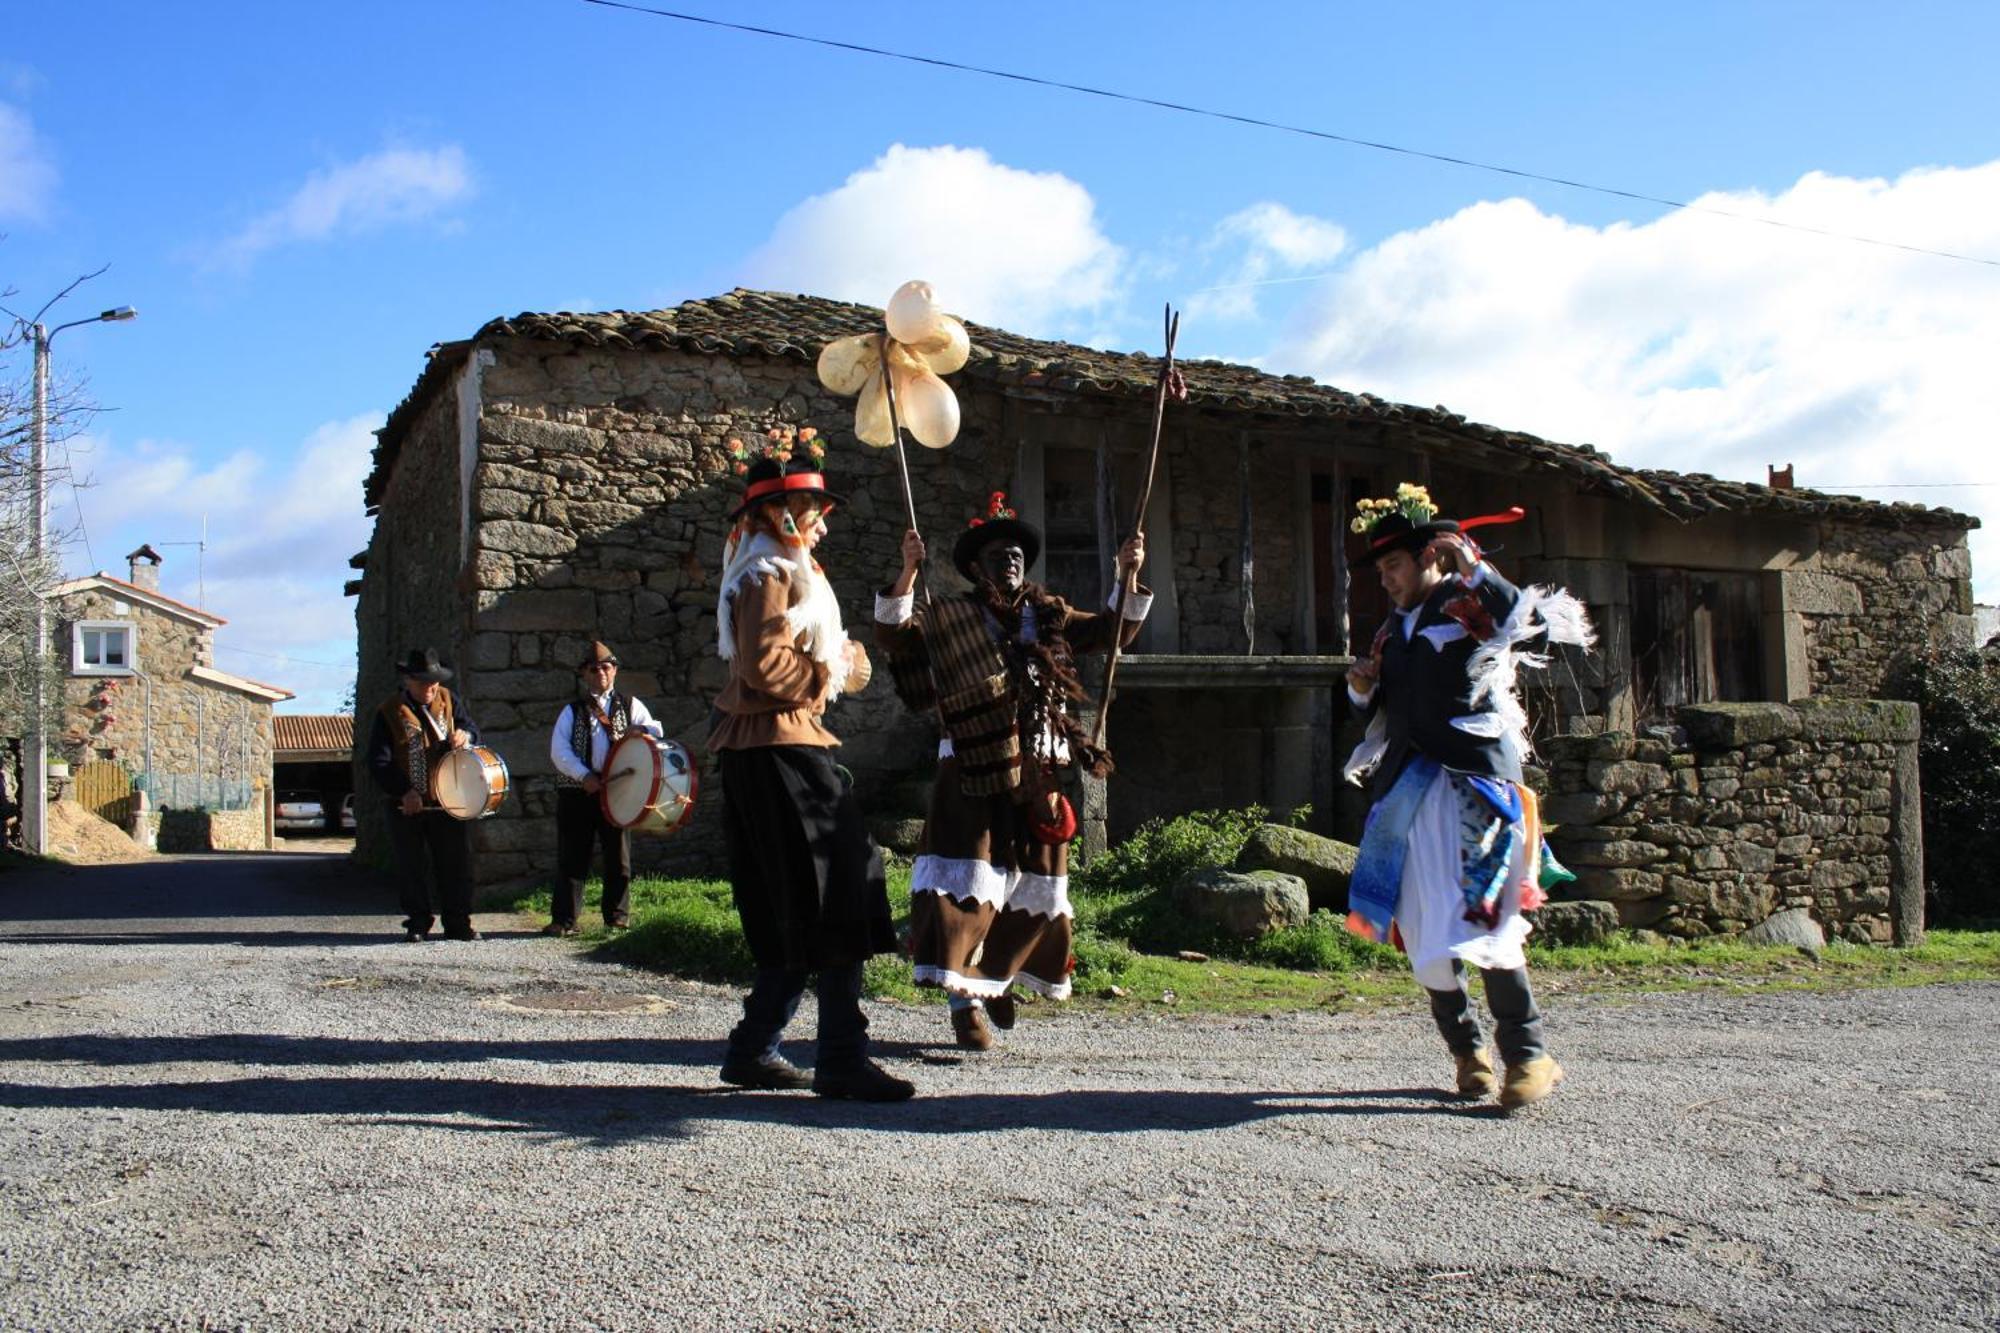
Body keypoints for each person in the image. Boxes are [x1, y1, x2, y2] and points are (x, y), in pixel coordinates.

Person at [1341, 485, 1593, 1110]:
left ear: (1431, 557)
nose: (1387, 580)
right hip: (1409, 795)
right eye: (1381, 571)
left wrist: (1477, 566)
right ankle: (1468, 1056)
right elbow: (1381, 710)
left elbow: (1525, 625)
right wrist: (1360, 690)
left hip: (1475, 788)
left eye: (1394, 566)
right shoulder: (1388, 634)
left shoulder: (1466, 605)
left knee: (1485, 913)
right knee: (1423, 922)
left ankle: (1529, 1054)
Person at [876, 491, 1149, 1050]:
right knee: (969, 880)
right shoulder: (949, 614)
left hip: (1039, 765)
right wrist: (908, 570)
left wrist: (1129, 575)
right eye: (999, 557)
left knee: (1036, 883)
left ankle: (996, 979)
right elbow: (894, 636)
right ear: (976, 569)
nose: (1011, 564)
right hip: (973, 762)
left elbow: (1111, 631)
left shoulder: (1050, 614)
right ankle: (963, 1002)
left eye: (1018, 557)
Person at [710, 432, 911, 1102]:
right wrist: (826, 670)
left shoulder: (775, 568)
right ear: (782, 515)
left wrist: (839, 662)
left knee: (792, 904)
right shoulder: (767, 572)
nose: (823, 523)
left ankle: (753, 1048)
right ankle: (841, 1058)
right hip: (782, 752)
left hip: (770, 751)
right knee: (839, 888)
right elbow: (764, 664)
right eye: (814, 512)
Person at [545, 641, 664, 936]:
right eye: (594, 668)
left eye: (606, 667)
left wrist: (643, 732)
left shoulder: (631, 705)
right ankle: (564, 920)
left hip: (618, 791)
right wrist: (584, 775)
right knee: (572, 856)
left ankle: (617, 916)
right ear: (585, 674)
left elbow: (656, 730)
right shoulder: (571, 711)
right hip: (578, 792)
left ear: (615, 671)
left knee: (618, 856)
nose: (600, 672)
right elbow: (558, 751)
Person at [365, 647, 483, 942]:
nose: (430, 688)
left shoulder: (448, 699)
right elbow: (379, 761)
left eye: (433, 682)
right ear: (408, 681)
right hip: (408, 804)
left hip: (448, 799)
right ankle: (418, 923)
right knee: (412, 866)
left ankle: (458, 923)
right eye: (423, 683)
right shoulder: (388, 712)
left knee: (455, 864)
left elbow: (471, 728)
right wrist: (404, 792)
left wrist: (465, 736)